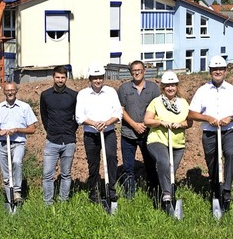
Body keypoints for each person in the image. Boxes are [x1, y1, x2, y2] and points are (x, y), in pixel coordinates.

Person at [188, 56, 233, 205]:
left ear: (225, 71)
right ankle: (216, 190)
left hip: (228, 131)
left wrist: (231, 118)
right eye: (215, 69)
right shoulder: (202, 90)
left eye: (220, 69)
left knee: (230, 154)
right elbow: (191, 114)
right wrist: (207, 118)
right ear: (210, 71)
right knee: (213, 162)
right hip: (210, 132)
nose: (218, 72)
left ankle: (227, 190)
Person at [143, 71, 192, 213]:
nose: (170, 88)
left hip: (177, 143)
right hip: (157, 140)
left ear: (177, 86)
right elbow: (147, 120)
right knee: (164, 162)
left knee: (170, 172)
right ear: (163, 87)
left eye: (173, 85)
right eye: (167, 86)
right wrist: (160, 122)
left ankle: (168, 202)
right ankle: (166, 196)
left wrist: (181, 125)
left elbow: (189, 122)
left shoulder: (183, 103)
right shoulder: (156, 102)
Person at [75, 63, 122, 204]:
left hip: (108, 132)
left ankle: (111, 190)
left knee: (111, 159)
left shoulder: (111, 92)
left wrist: (107, 123)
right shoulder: (83, 94)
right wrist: (94, 123)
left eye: (100, 78)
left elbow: (118, 113)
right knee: (93, 163)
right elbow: (79, 117)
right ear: (90, 79)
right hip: (91, 134)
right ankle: (94, 191)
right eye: (95, 78)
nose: (98, 81)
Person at [0, 82, 37, 212]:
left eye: (12, 90)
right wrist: (0, 132)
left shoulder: (24, 107)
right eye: (7, 90)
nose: (10, 93)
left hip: (18, 143)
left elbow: (32, 129)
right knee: (6, 175)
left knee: (16, 162)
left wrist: (17, 130)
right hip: (3, 144)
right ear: (4, 92)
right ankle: (10, 203)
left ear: (16, 91)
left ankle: (17, 192)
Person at [117, 60, 160, 199]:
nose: (137, 73)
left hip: (148, 134)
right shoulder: (124, 89)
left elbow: (157, 109)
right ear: (131, 72)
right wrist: (134, 124)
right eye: (134, 71)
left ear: (144, 71)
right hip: (128, 134)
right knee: (128, 167)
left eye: (139, 70)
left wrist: (146, 124)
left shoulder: (153, 88)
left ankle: (154, 194)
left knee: (151, 165)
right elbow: (121, 110)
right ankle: (130, 195)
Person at [39, 66, 78, 205]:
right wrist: (50, 130)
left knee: (66, 174)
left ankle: (63, 202)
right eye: (57, 77)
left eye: (62, 77)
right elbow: (44, 116)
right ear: (53, 77)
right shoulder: (45, 95)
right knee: (47, 175)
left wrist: (71, 130)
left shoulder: (74, 95)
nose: (60, 80)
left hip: (68, 140)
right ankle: (48, 203)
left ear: (66, 78)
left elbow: (77, 117)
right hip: (52, 140)